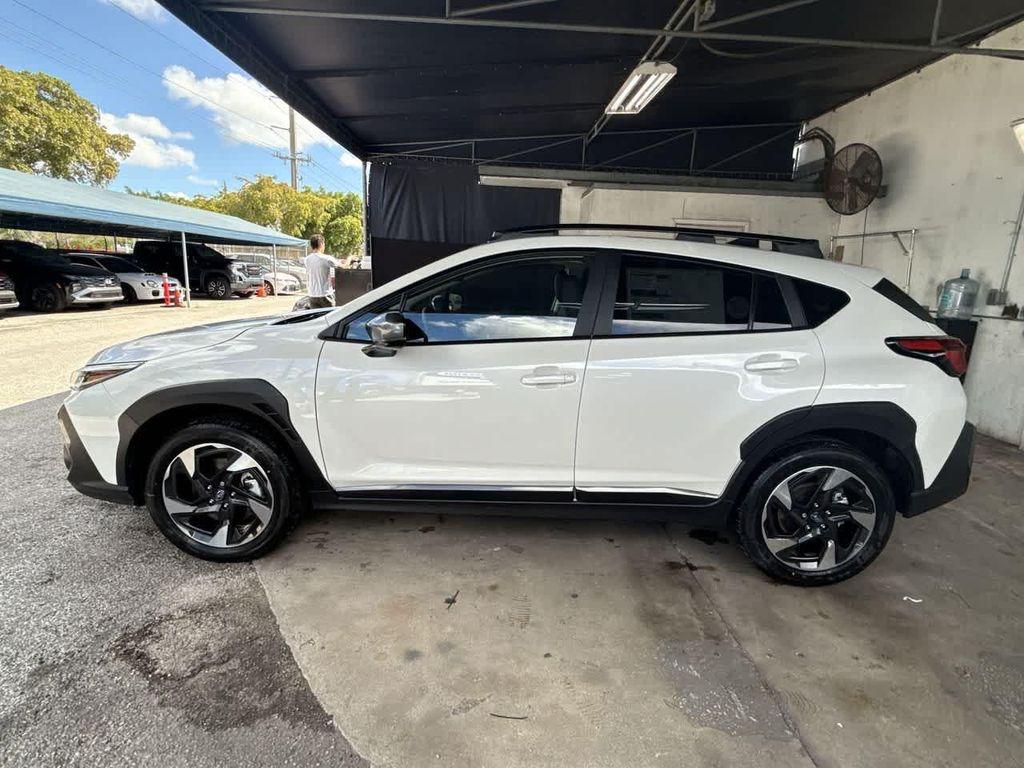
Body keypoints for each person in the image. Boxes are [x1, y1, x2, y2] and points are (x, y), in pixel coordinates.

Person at [303, 234, 338, 309]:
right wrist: (350, 258)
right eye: (324, 243)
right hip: (325, 295)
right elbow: (342, 266)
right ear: (321, 244)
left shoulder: (307, 259)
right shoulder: (326, 258)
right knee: (331, 316)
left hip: (312, 295)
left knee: (317, 316)